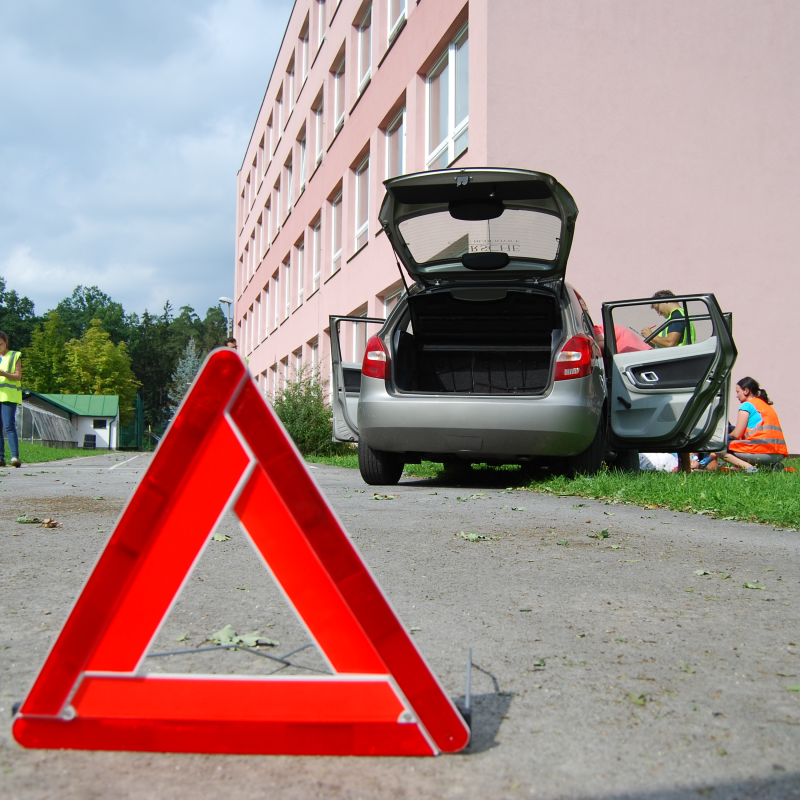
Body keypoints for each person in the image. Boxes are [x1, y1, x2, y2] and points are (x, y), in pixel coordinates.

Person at [708, 377, 789, 472]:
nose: (736, 396)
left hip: (761, 451)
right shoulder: (766, 406)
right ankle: (770, 466)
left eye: (737, 392)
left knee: (719, 447)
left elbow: (736, 434)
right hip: (778, 454)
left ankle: (749, 468)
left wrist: (723, 439)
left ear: (746, 391)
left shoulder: (747, 405)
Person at [0, 330, 23, 468]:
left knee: (9, 426)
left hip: (9, 396)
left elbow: (18, 376)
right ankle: (0, 457)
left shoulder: (15, 356)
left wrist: (3, 373)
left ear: (6, 341)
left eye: (0, 343)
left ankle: (15, 456)